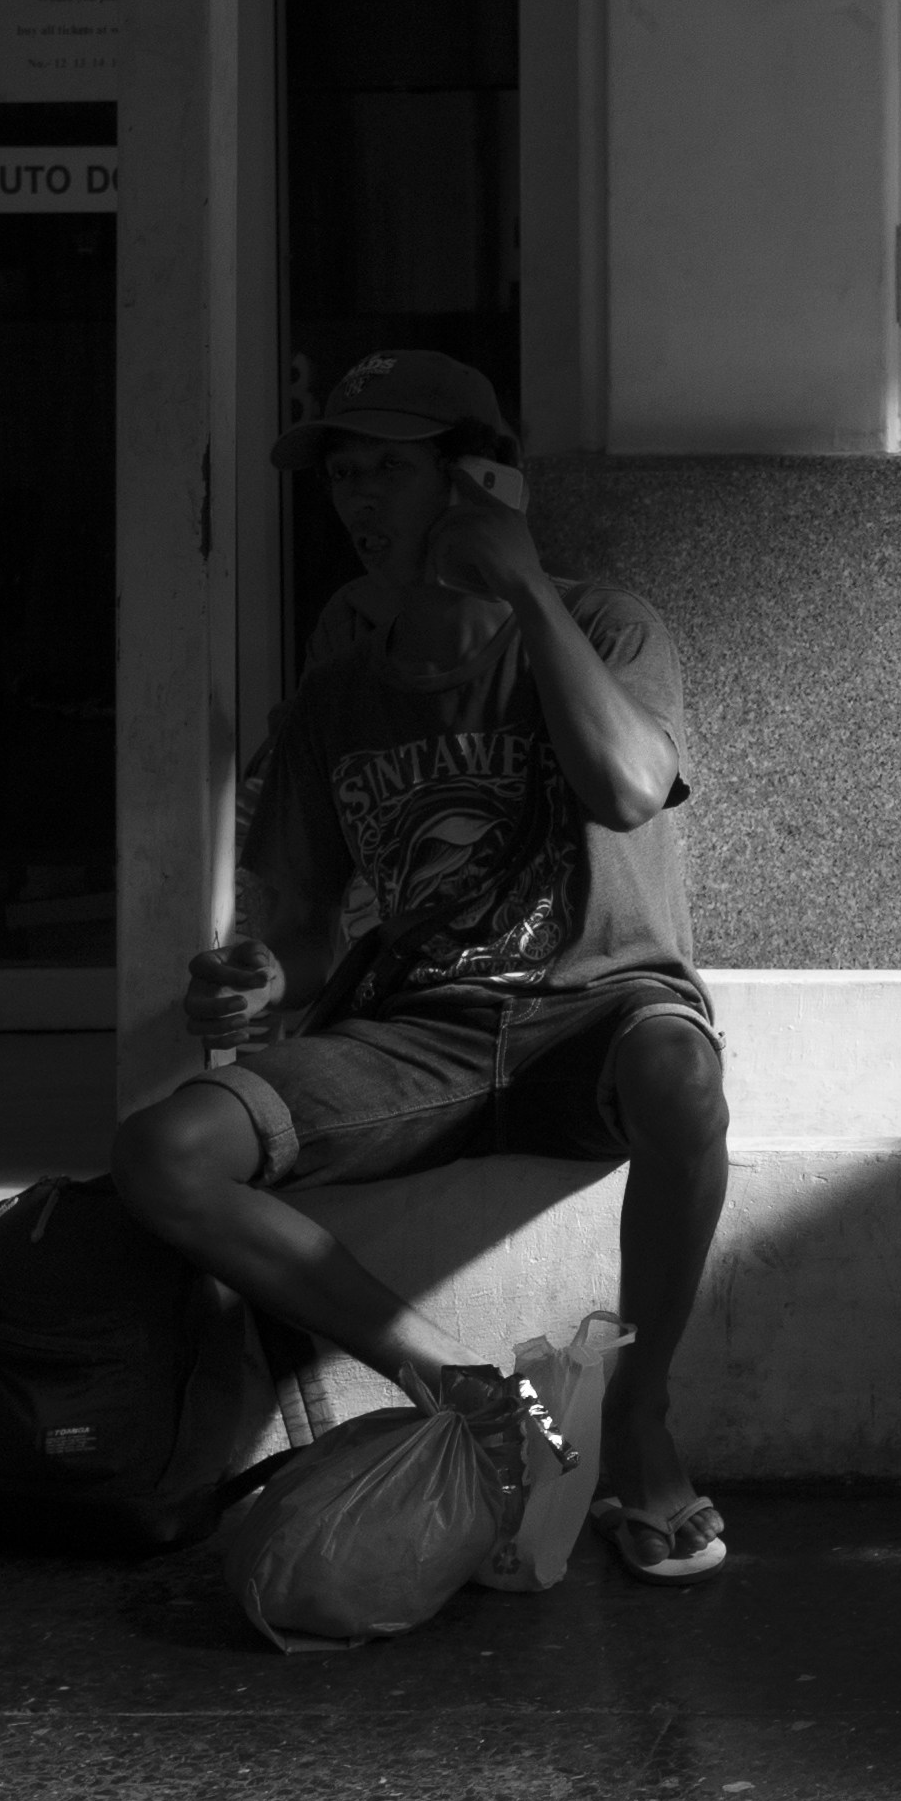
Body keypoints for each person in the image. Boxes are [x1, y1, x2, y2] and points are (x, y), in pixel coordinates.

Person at [108, 350, 735, 1581]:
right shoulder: (340, 692)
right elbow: (299, 918)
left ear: (479, 479)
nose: (358, 499)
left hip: (594, 1013)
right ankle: (454, 1384)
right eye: (343, 472)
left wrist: (524, 588)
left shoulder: (605, 625)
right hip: (419, 1039)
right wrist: (261, 978)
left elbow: (622, 789)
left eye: (388, 468)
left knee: (683, 1074)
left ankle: (642, 1414)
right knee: (162, 1153)